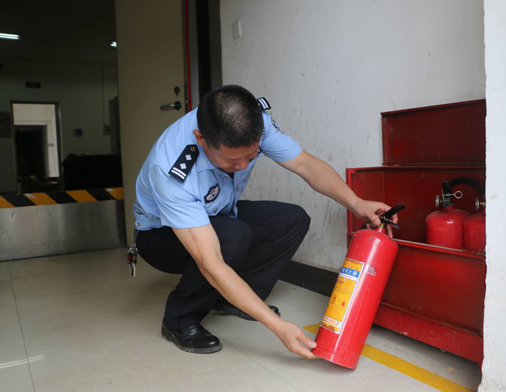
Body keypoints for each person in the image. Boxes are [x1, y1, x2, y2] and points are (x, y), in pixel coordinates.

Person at [132, 84, 396, 359]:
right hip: (161, 236)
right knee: (232, 236)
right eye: (232, 160)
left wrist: (356, 203)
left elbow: (305, 164)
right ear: (201, 139)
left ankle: (232, 300)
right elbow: (211, 262)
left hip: (219, 214)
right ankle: (179, 319)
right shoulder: (171, 169)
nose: (243, 166)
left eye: (251, 156)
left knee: (291, 220)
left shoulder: (253, 121)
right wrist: (276, 326)